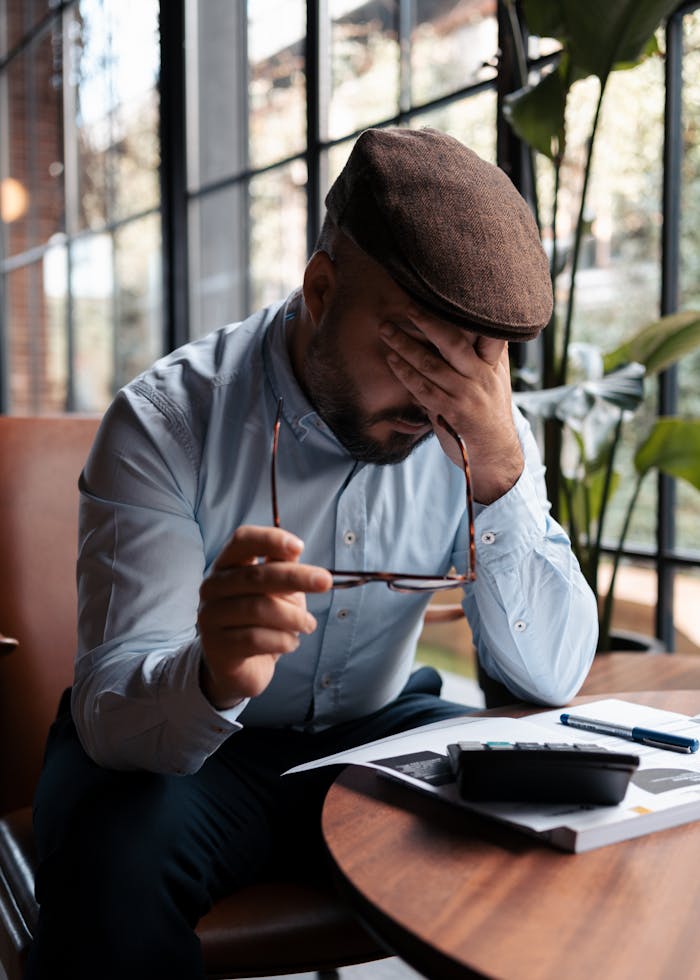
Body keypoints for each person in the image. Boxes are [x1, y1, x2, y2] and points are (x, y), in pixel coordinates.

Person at [26, 127, 597, 979]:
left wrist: (502, 475)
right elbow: (114, 705)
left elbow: (552, 676)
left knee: (551, 822)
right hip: (190, 744)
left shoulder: (483, 427)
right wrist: (214, 670)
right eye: (409, 351)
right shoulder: (165, 423)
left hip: (375, 732)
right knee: (113, 864)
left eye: (468, 365)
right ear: (322, 291)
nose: (433, 398)